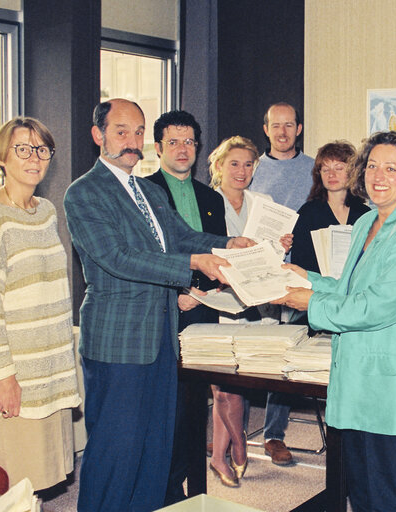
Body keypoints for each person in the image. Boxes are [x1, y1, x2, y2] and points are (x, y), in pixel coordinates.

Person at [64, 98, 252, 511]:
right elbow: (116, 257)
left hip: (162, 337)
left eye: (137, 132)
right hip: (119, 342)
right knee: (116, 451)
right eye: (121, 131)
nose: (132, 142)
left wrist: (228, 244)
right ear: (98, 135)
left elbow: (182, 236)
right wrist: (191, 263)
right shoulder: (84, 193)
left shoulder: (147, 189)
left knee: (154, 449)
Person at [274, 131, 396, 511]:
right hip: (355, 383)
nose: (378, 176)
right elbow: (350, 288)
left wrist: (311, 300)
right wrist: (306, 278)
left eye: (391, 168)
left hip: (390, 390)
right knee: (363, 495)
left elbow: (379, 306)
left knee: (391, 497)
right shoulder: (367, 221)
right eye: (371, 166)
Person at [0, 117, 82, 493]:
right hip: (15, 376)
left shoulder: (47, 211)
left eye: (42, 149)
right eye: (23, 149)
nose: (35, 158)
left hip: (49, 373)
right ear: (2, 156)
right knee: (15, 488)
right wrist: (4, 377)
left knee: (43, 483)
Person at [146, 110, 228, 505]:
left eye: (190, 142)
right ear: (158, 147)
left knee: (197, 406)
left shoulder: (212, 197)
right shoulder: (143, 193)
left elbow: (216, 248)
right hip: (166, 309)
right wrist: (177, 288)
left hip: (205, 309)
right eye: (174, 142)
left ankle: (194, 488)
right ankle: (165, 488)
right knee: (169, 410)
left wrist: (208, 289)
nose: (182, 149)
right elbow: (146, 255)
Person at [206, 135, 293, 486]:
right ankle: (237, 445)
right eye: (234, 164)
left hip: (257, 300)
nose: (241, 171)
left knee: (235, 382)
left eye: (247, 164)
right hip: (219, 298)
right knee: (221, 385)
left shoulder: (264, 202)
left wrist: (281, 245)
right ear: (219, 167)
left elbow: (273, 256)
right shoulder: (208, 202)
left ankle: (219, 455)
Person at [248, 101, 315, 464]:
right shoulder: (252, 168)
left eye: (289, 125)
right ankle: (234, 435)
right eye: (276, 125)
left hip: (296, 275)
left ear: (299, 129)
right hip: (257, 271)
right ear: (266, 129)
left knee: (285, 353)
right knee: (246, 351)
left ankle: (274, 434)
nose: (283, 132)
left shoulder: (313, 170)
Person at [290, 140, 370, 327]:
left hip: (355, 300)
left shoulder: (366, 215)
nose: (331, 174)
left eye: (338, 168)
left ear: (352, 172)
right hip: (318, 298)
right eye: (325, 169)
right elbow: (300, 261)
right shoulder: (308, 212)